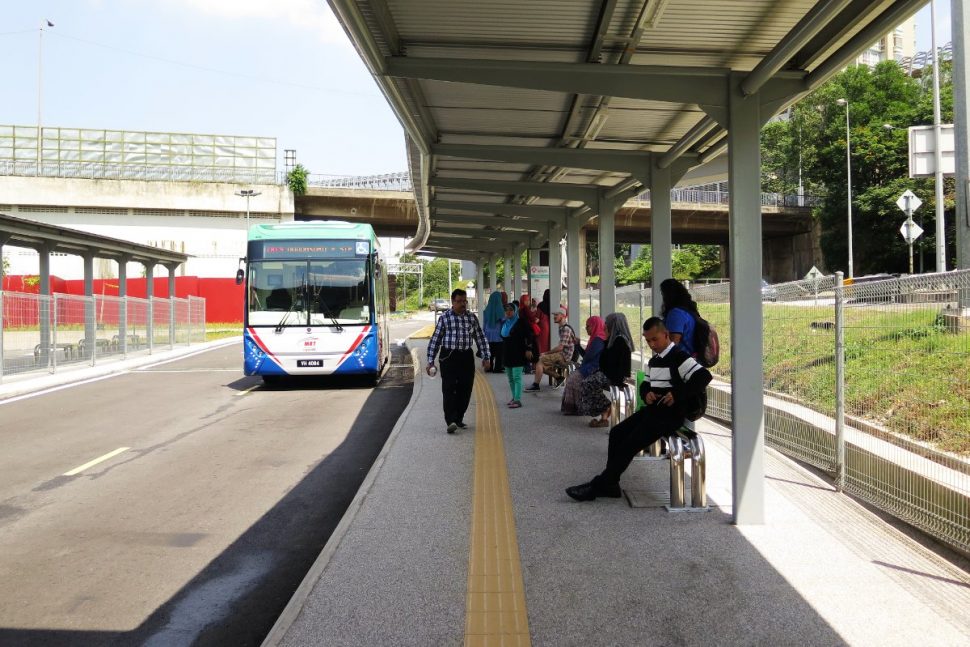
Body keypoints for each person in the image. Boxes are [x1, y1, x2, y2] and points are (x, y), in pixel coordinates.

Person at [565, 317, 712, 501]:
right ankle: (611, 483)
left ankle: (599, 485)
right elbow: (646, 385)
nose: (651, 344)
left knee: (629, 444)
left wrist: (676, 394)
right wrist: (647, 393)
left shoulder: (679, 357)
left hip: (670, 415)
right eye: (647, 340)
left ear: (666, 335)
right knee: (617, 433)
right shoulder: (655, 360)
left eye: (655, 339)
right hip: (653, 411)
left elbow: (703, 376)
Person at [426, 288, 492, 434]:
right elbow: (436, 339)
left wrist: (486, 356)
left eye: (464, 301)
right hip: (448, 356)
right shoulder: (445, 318)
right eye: (459, 301)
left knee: (466, 388)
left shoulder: (471, 318)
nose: (462, 304)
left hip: (466, 357)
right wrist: (430, 360)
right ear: (452, 302)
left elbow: (480, 337)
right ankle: (450, 420)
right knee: (449, 388)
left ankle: (459, 417)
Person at [583, 312, 634, 428]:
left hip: (616, 377)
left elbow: (606, 361)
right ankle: (604, 415)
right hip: (613, 375)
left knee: (588, 383)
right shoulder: (616, 339)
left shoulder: (619, 341)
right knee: (589, 381)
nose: (604, 325)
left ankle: (606, 408)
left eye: (607, 323)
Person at [560, 316, 607, 415]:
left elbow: (588, 356)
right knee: (572, 377)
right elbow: (587, 356)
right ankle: (574, 408)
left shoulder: (598, 340)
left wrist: (578, 346)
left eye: (588, 326)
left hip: (593, 368)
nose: (586, 329)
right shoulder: (594, 338)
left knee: (573, 379)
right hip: (589, 366)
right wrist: (578, 345)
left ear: (595, 326)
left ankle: (577, 408)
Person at [526, 307, 576, 391]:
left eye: (556, 315)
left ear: (563, 316)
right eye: (554, 315)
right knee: (541, 364)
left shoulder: (566, 329)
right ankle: (559, 377)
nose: (554, 317)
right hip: (562, 354)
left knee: (540, 360)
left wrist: (546, 353)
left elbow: (560, 348)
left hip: (564, 356)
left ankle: (536, 385)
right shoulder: (562, 328)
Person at [500, 301, 536, 409]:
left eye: (511, 310)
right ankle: (514, 397)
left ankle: (518, 399)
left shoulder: (521, 322)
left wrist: (529, 348)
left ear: (515, 311)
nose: (508, 312)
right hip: (507, 353)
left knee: (516, 376)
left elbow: (530, 334)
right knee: (510, 377)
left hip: (518, 353)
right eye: (506, 310)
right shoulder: (505, 323)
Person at [659, 278, 701, 356]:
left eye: (662, 294)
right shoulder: (688, 311)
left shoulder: (676, 313)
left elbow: (672, 344)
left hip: (682, 361)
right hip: (692, 359)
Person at [481, 291, 506, 373]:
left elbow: (484, 323)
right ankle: (497, 368)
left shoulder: (486, 310)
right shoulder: (500, 309)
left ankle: (489, 367)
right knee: (499, 352)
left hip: (488, 334)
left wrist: (483, 333)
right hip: (498, 334)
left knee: (490, 351)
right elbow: (503, 320)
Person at [536, 289, 551, 354]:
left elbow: (537, 319)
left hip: (543, 327)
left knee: (542, 344)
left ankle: (542, 358)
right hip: (552, 326)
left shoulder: (541, 305)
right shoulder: (554, 304)